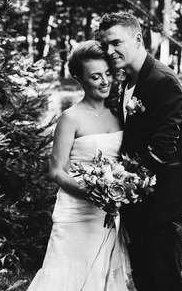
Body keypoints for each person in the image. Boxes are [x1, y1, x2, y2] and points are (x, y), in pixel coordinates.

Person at [99, 11, 182, 291]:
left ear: (138, 38)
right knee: (144, 278)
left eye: (116, 42)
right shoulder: (128, 82)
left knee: (164, 279)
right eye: (105, 44)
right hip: (137, 200)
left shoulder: (162, 80)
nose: (110, 50)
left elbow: (163, 147)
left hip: (161, 201)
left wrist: (118, 181)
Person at [27, 40, 129, 291]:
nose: (105, 81)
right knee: (65, 274)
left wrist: (119, 192)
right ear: (79, 79)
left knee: (102, 273)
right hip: (77, 211)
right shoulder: (71, 118)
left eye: (107, 74)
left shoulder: (120, 115)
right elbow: (56, 170)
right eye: (95, 77)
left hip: (108, 213)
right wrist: (92, 193)